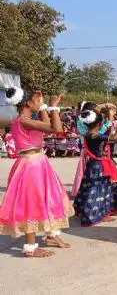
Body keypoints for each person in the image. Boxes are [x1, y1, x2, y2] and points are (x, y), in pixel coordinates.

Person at [0, 89, 72, 258]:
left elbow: (49, 128)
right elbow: (56, 128)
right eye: (37, 100)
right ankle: (30, 247)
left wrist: (44, 109)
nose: (40, 102)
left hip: (38, 162)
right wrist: (53, 106)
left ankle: (52, 235)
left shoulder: (28, 120)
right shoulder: (24, 120)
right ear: (27, 103)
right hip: (31, 166)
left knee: (49, 199)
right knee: (31, 204)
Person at [74, 110, 117, 226]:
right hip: (100, 166)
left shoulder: (89, 134)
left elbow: (108, 136)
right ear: (99, 124)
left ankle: (104, 209)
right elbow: (114, 138)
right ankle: (98, 213)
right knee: (99, 189)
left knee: (96, 187)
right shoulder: (95, 135)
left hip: (95, 164)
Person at [72, 103, 114, 199]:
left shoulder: (84, 121)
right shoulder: (84, 122)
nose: (97, 111)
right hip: (90, 151)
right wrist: (109, 121)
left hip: (92, 148)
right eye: (95, 110)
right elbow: (100, 132)